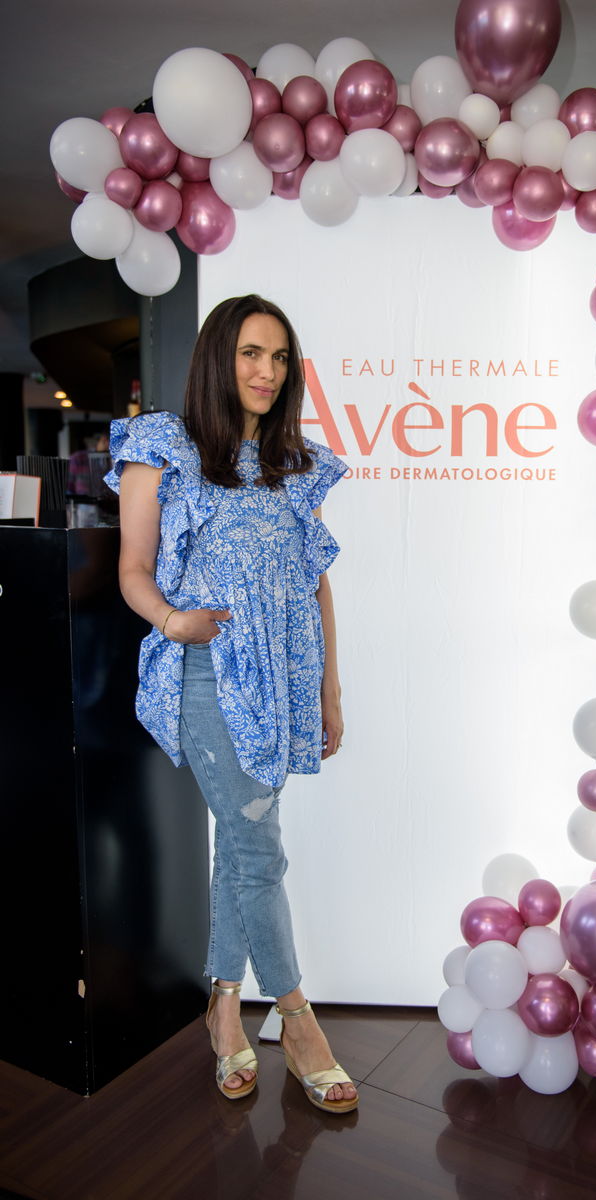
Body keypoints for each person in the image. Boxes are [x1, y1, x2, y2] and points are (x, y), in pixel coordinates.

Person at [105, 295, 357, 1114]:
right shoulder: (164, 446)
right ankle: (297, 1019)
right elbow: (132, 569)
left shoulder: (295, 463)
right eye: (251, 353)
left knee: (239, 847)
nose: (266, 372)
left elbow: (315, 584)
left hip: (284, 678)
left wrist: (329, 689)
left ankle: (222, 1008)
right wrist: (172, 620)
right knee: (258, 849)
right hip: (206, 673)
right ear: (220, 356)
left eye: (279, 358)